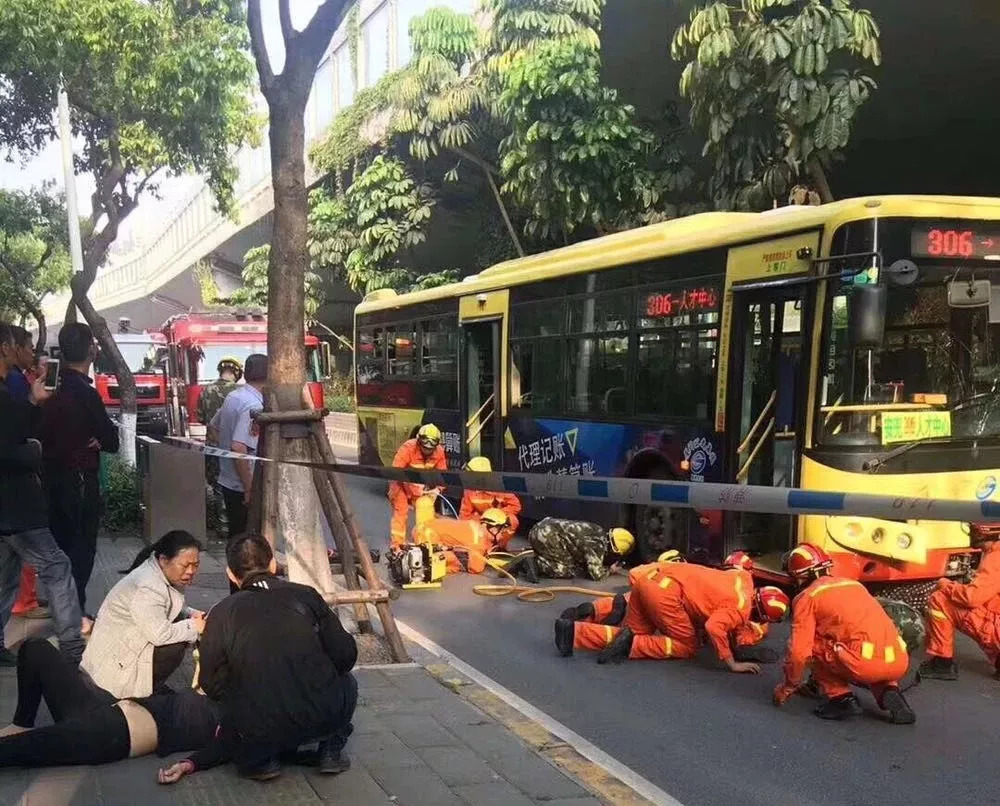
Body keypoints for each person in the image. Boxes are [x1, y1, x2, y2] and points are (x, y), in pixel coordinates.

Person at [158, 533, 358, 783]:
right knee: (347, 680)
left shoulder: (221, 613)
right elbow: (346, 655)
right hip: (320, 714)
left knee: (246, 704)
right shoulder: (306, 595)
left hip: (257, 725)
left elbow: (211, 684)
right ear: (273, 564)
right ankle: (330, 748)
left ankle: (262, 760)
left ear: (231, 574)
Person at [0, 323, 84, 666]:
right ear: (6, 346)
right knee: (57, 567)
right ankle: (72, 646)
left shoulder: (8, 388)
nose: (31, 352)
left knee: (5, 579)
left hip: (11, 506)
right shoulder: (5, 392)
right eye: (24, 345)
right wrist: (32, 450)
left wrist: (33, 404)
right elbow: (8, 446)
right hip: (16, 505)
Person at [0, 637, 221, 768]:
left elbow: (232, 745)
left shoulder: (230, 716)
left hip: (107, 736)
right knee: (35, 647)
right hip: (101, 710)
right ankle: (22, 722)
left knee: (13, 750)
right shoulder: (202, 694)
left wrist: (190, 765)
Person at [772, 543, 915, 724]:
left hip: (862, 664)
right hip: (898, 660)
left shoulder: (808, 597)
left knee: (812, 643)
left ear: (800, 576)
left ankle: (841, 698)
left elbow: (799, 653)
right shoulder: (854, 585)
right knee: (862, 643)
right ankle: (889, 692)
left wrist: (787, 686)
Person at [558, 559, 788, 671]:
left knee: (635, 632)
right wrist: (732, 663)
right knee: (687, 645)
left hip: (648, 579)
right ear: (761, 615)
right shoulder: (740, 609)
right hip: (666, 595)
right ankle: (629, 645)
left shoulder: (742, 579)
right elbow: (713, 628)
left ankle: (574, 632)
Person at [39, 322, 119, 625]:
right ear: (90, 350)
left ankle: (65, 610)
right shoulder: (86, 393)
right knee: (81, 550)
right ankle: (75, 614)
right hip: (80, 482)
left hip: (50, 481)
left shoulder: (49, 390)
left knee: (59, 548)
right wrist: (98, 439)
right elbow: (110, 440)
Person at [81, 530, 205, 699]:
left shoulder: (162, 573)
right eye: (185, 565)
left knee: (180, 627)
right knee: (175, 645)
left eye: (195, 565)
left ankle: (151, 686)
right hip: (113, 669)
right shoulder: (148, 586)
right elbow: (160, 634)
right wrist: (194, 626)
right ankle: (140, 695)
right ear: (163, 560)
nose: (191, 571)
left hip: (124, 644)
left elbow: (167, 606)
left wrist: (192, 614)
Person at [920, 527, 1000, 681]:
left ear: (984, 531)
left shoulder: (996, 557)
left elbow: (972, 598)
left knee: (940, 599)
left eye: (973, 529)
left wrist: (946, 585)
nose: (970, 532)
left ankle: (942, 663)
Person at [210, 353, 267, 541]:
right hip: (243, 485)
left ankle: (232, 569)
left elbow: (213, 427)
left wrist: (223, 453)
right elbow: (238, 447)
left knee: (236, 537)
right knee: (247, 542)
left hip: (228, 480)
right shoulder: (253, 405)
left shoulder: (234, 396)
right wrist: (249, 488)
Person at [199, 357, 241, 539]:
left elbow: (201, 418)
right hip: (235, 446)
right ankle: (235, 525)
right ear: (237, 373)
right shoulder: (238, 392)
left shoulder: (206, 391)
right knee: (235, 485)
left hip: (213, 445)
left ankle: (222, 525)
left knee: (217, 484)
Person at [388, 424, 447, 547]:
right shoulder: (407, 448)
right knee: (401, 512)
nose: (428, 452)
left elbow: (442, 476)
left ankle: (425, 541)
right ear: (419, 442)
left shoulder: (439, 452)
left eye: (431, 450)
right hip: (400, 484)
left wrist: (437, 490)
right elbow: (396, 473)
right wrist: (413, 488)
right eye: (425, 448)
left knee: (426, 509)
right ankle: (397, 545)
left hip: (421, 487)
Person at [410, 507, 512, 575]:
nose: (503, 533)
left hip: (426, 529)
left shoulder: (477, 528)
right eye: (501, 529)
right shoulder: (478, 539)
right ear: (492, 528)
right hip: (425, 532)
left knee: (455, 559)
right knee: (450, 561)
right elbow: (476, 568)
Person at [528, 517, 635, 581]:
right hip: (546, 536)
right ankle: (535, 564)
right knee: (565, 571)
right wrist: (610, 570)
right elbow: (596, 575)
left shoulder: (598, 530)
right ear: (613, 549)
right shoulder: (598, 545)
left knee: (570, 562)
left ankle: (543, 559)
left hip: (540, 528)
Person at [459, 457, 521, 549]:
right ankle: (481, 546)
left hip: (498, 521)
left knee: (513, 521)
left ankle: (500, 546)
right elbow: (464, 515)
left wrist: (496, 514)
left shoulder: (499, 487)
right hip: (480, 522)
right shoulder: (469, 490)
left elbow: (516, 506)